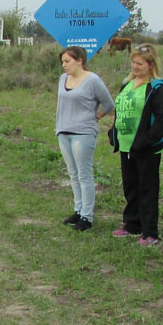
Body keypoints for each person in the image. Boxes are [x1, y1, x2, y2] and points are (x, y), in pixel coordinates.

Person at [109, 44, 163, 245]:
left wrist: (146, 140)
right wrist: (114, 131)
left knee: (147, 188)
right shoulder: (127, 83)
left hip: (146, 147)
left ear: (150, 65)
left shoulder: (156, 88)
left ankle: (150, 231)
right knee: (131, 187)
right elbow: (119, 109)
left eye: (140, 63)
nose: (135, 66)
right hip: (126, 145)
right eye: (133, 62)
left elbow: (162, 120)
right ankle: (132, 224)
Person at [55, 46, 114, 231]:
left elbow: (108, 103)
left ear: (80, 60)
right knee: (73, 173)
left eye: (67, 61)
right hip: (64, 131)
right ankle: (78, 209)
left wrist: (96, 117)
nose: (64, 65)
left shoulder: (92, 80)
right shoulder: (63, 79)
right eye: (62, 62)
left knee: (84, 174)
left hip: (83, 132)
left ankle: (87, 217)